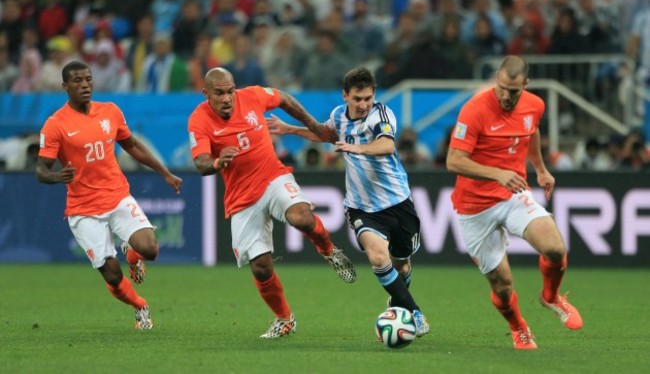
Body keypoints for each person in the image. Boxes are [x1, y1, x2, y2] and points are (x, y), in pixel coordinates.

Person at [187, 67, 356, 339]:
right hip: (242, 196)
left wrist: (314, 125)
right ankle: (284, 319)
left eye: (230, 91)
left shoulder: (252, 96)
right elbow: (200, 162)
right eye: (219, 93)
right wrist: (218, 162)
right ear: (206, 94)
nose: (228, 98)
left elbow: (285, 99)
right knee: (261, 267)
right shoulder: (198, 120)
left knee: (301, 217)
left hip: (272, 177)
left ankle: (327, 249)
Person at [267, 67, 430, 338]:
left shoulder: (382, 115)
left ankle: (399, 298)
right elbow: (326, 135)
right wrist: (289, 130)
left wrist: (357, 148)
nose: (364, 104)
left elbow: (387, 145)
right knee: (378, 257)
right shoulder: (338, 116)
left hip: (398, 201)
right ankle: (414, 313)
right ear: (346, 96)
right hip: (361, 205)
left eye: (368, 97)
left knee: (402, 263)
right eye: (357, 99)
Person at [446, 55, 583, 350]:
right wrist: (497, 173)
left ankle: (551, 297)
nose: (506, 96)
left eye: (514, 91)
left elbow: (530, 130)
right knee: (503, 285)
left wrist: (541, 169)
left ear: (526, 85)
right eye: (502, 88)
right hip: (474, 207)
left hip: (513, 194)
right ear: (497, 79)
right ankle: (519, 327)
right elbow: (453, 161)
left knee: (555, 249)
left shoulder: (535, 104)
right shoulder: (474, 110)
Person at [36, 60, 183, 330]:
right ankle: (140, 306)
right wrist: (58, 177)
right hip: (83, 209)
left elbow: (131, 145)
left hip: (116, 196)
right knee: (112, 275)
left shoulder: (110, 111)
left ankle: (132, 252)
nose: (85, 85)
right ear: (65, 86)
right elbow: (40, 170)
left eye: (88, 79)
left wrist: (164, 172)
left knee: (150, 248)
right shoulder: (55, 124)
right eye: (77, 81)